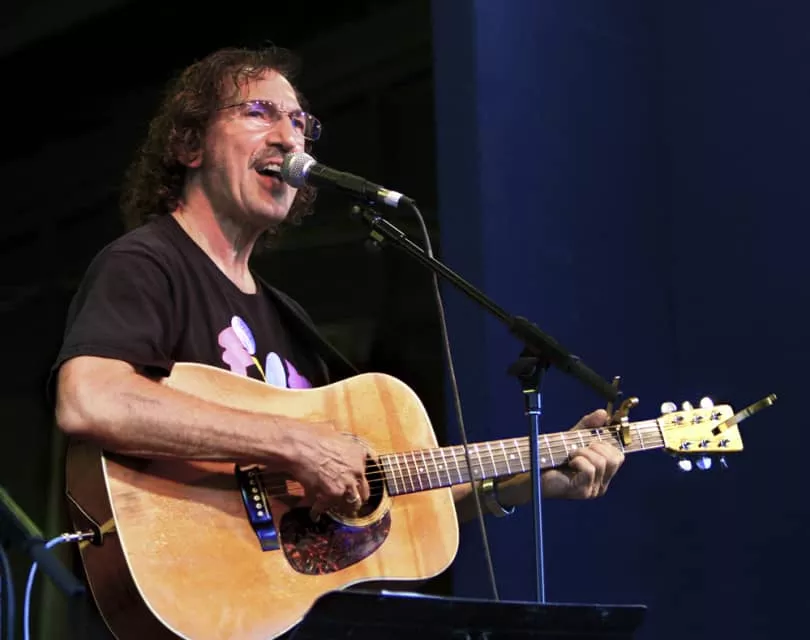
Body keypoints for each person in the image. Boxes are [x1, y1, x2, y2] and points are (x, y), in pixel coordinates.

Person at [49, 45, 625, 637]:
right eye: (258, 112)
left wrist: (527, 482)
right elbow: (90, 399)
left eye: (299, 122)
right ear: (189, 145)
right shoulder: (148, 264)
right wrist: (290, 441)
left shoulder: (288, 318)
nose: (287, 137)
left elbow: (370, 493)